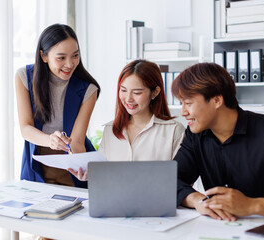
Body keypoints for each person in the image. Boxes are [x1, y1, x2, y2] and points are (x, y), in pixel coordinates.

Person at [172, 62, 264, 221]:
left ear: (216, 100)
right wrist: (199, 201)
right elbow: (172, 181)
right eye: (182, 104)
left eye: (188, 103)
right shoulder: (196, 136)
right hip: (222, 229)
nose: (183, 112)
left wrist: (251, 206)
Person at [69, 59, 185, 180]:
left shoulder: (174, 131)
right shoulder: (110, 130)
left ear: (155, 92)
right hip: (113, 198)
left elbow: (181, 183)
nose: (128, 99)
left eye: (137, 92)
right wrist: (90, 175)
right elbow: (103, 174)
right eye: (123, 90)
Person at [15, 24, 100, 188]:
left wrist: (80, 166)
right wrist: (50, 140)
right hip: (37, 160)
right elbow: (25, 128)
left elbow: (76, 141)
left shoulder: (88, 89)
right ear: (44, 56)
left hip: (71, 164)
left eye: (75, 56)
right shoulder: (24, 77)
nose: (70, 64)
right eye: (61, 58)